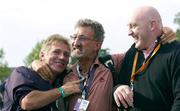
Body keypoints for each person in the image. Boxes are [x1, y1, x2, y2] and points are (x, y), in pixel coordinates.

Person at [31, 19, 176, 111]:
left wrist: (163, 31)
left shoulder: (112, 63)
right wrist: (36, 63)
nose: (75, 43)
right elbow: (45, 66)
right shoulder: (66, 73)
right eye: (74, 37)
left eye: (82, 38)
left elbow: (142, 45)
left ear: (97, 45)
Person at [113, 6, 180, 111]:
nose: (129, 32)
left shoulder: (176, 53)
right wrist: (118, 88)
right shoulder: (132, 52)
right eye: (128, 26)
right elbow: (120, 82)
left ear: (152, 25)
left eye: (133, 26)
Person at [2, 34, 81, 111]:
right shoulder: (22, 73)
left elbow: (79, 106)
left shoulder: (66, 78)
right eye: (56, 52)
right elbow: (27, 103)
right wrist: (62, 91)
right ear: (42, 55)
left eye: (66, 54)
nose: (62, 57)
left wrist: (80, 100)